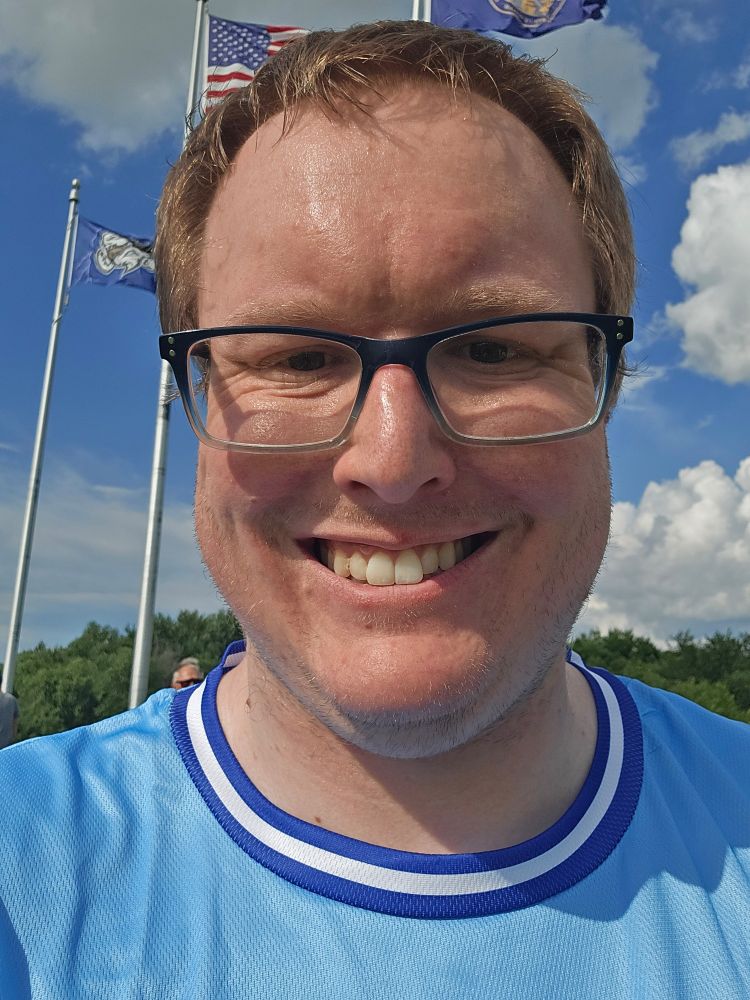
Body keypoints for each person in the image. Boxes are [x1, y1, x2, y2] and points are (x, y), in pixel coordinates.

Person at [1, 21, 748, 998]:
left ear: (607, 382)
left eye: (494, 348)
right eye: (297, 356)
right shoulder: (27, 880)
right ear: (195, 396)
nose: (392, 463)